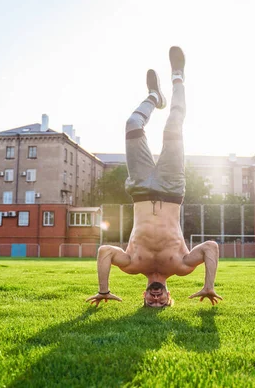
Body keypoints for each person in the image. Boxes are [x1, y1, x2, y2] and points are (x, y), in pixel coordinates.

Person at [86, 46, 222, 308]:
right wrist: (209, 285)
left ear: (144, 295)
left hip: (139, 188)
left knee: (132, 125)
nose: (156, 298)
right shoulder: (181, 266)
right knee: (174, 124)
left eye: (150, 301)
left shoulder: (133, 264)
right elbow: (210, 248)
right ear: (170, 296)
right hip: (171, 189)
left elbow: (104, 252)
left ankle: (153, 96)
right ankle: (178, 77)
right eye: (161, 302)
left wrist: (104, 290)